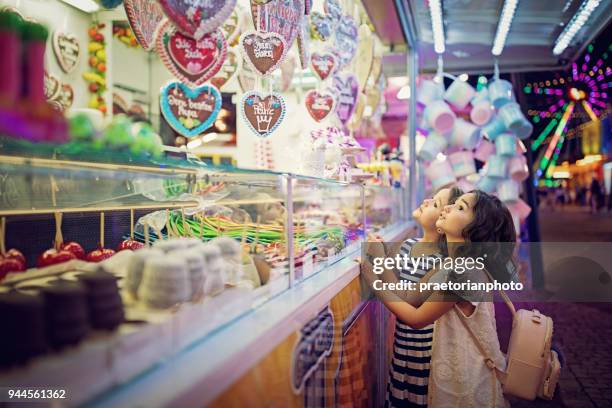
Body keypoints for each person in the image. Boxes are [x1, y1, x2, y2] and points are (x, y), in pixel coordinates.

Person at [372, 191, 517, 407]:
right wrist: (380, 262)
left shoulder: (464, 270)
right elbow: (410, 296)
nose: (447, 208)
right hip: (454, 371)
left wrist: (371, 277)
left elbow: (416, 318)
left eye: (460, 208)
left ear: (475, 230)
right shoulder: (451, 264)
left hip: (468, 379)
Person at [384, 186, 463, 408]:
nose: (427, 200)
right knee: (401, 395)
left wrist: (375, 270)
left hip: (428, 351)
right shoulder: (407, 247)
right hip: (402, 345)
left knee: (423, 397)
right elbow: (399, 289)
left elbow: (409, 303)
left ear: (442, 223)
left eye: (436, 204)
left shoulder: (443, 261)